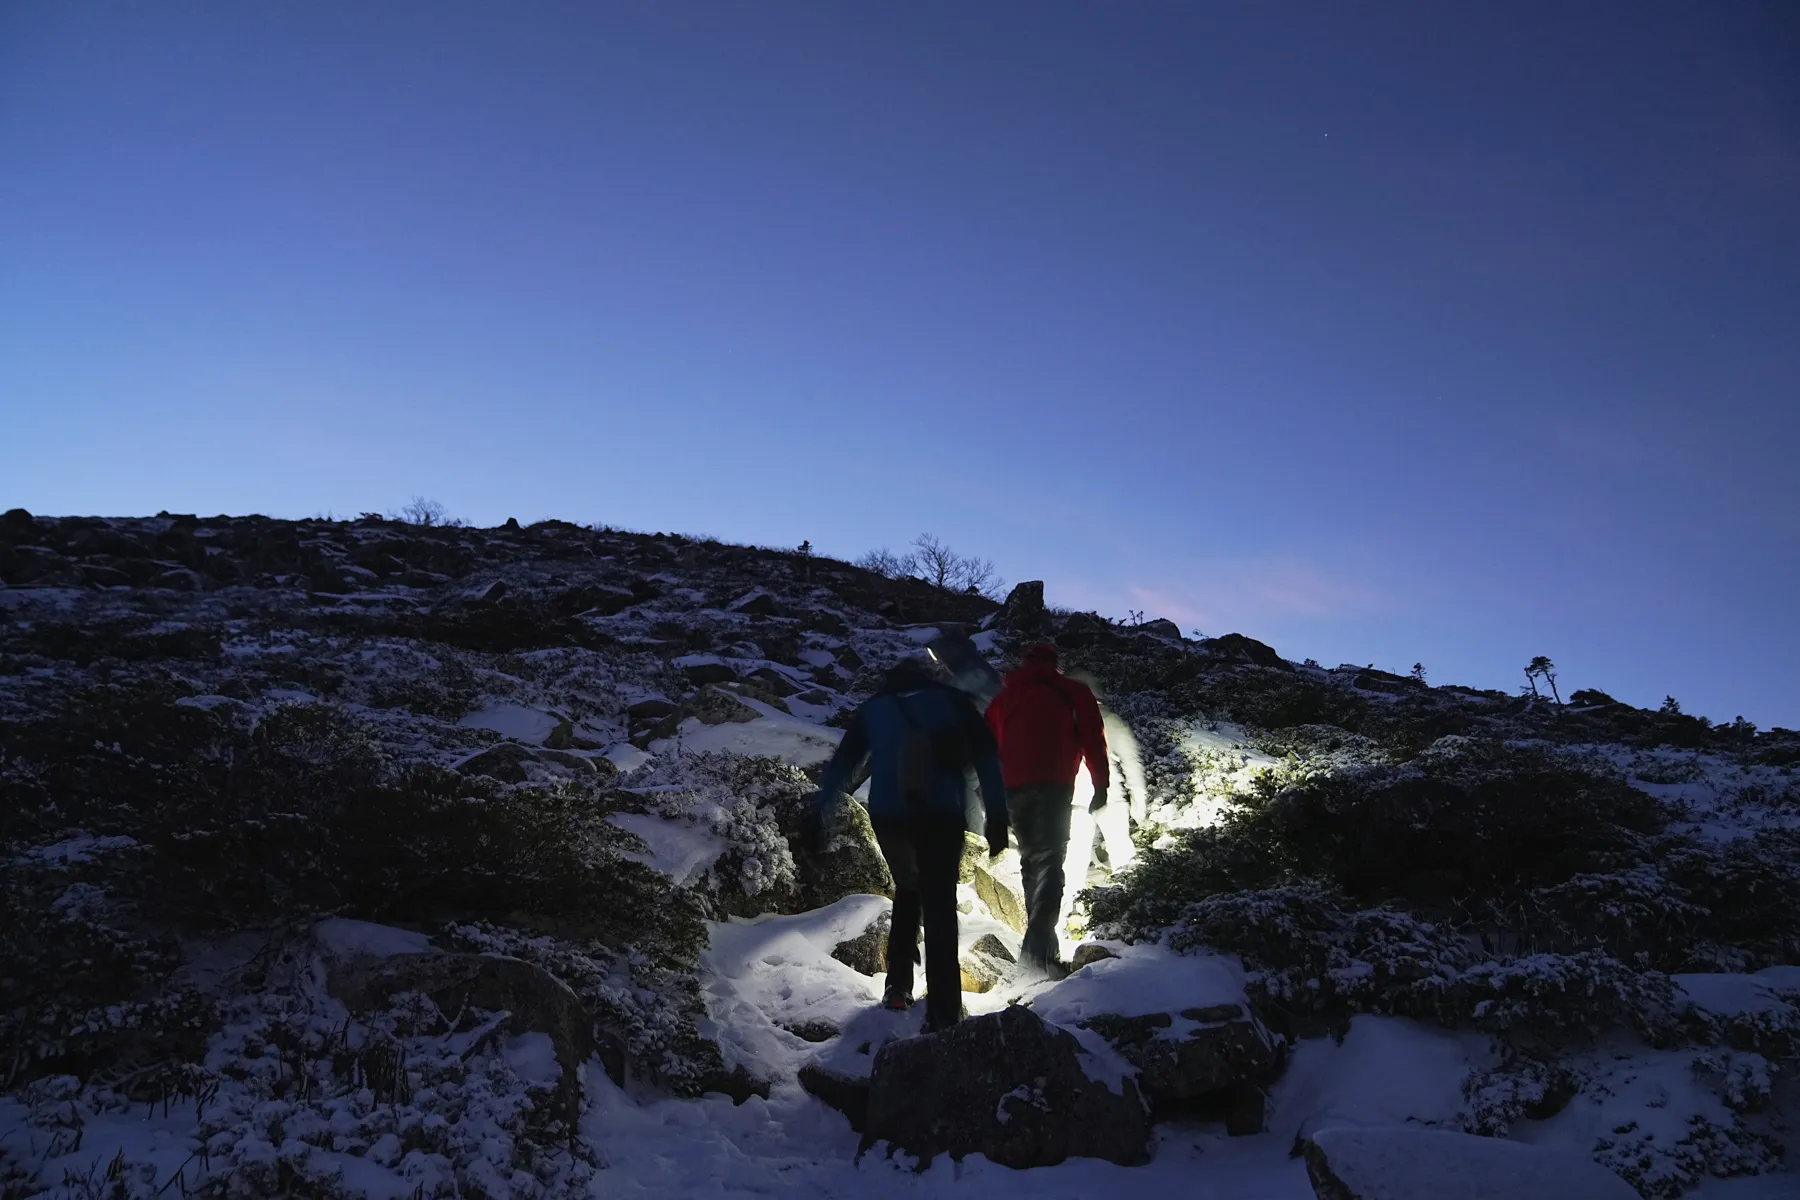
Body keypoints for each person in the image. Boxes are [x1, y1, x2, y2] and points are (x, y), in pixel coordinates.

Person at [809, 658, 1008, 1033]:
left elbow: (843, 764)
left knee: (908, 889)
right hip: (941, 816)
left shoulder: (875, 709)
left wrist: (819, 810)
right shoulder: (951, 701)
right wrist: (997, 816)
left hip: (889, 817)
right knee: (939, 908)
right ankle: (944, 1013)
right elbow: (986, 757)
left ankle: (897, 987)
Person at [984, 643, 1109, 977]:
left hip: (1014, 789)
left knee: (1031, 862)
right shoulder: (1073, 693)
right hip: (1054, 787)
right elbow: (1093, 739)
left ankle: (1042, 945)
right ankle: (1038, 946)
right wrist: (1101, 785)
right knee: (1051, 861)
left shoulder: (1003, 699)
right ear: (1056, 664)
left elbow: (986, 748)